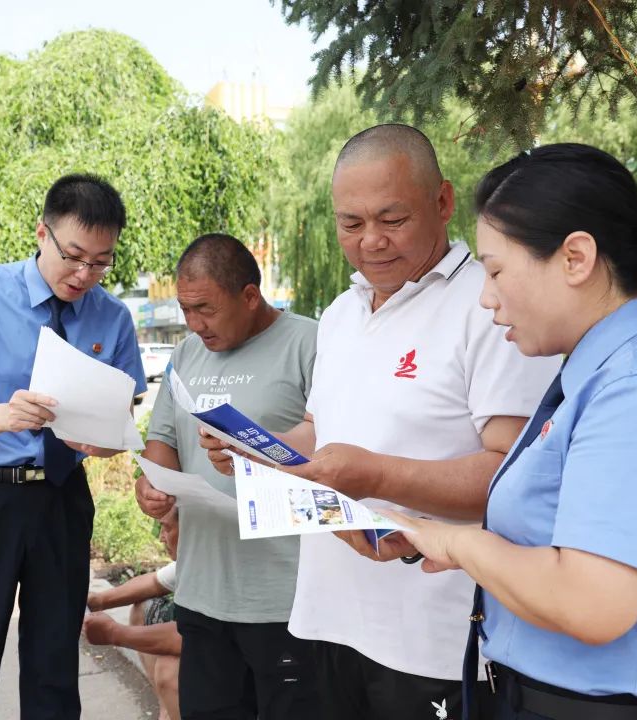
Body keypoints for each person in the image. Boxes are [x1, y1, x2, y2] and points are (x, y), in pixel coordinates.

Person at [380, 143, 637, 720]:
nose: (486, 298)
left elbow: (591, 602)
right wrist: (432, 536)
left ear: (576, 258)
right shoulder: (597, 375)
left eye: (495, 271)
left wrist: (458, 543)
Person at [202, 124, 558, 720]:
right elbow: (319, 433)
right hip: (327, 616)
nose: (371, 241)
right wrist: (258, 450)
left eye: (392, 219)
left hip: (435, 635)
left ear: (442, 201)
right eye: (351, 223)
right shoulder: (342, 313)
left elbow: (511, 475)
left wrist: (373, 476)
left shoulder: (491, 304)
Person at [0, 173, 147, 720]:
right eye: (74, 256)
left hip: (62, 500)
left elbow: (120, 423)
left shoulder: (112, 317)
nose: (84, 274)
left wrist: (102, 444)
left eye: (101, 262)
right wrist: (6, 414)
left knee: (54, 668)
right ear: (42, 233)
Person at [137, 233, 320, 720]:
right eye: (185, 309)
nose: (195, 324)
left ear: (250, 296)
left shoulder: (310, 343)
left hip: (286, 599)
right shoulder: (185, 355)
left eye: (206, 309)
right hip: (202, 595)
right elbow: (163, 440)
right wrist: (153, 486)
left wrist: (259, 453)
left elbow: (337, 447)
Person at [84, 509, 182, 720]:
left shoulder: (216, 568)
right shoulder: (193, 559)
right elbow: (154, 582)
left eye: (166, 528)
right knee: (144, 608)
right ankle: (166, 712)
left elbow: (188, 636)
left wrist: (114, 633)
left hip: (236, 651)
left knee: (169, 673)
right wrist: (98, 601)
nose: (161, 537)